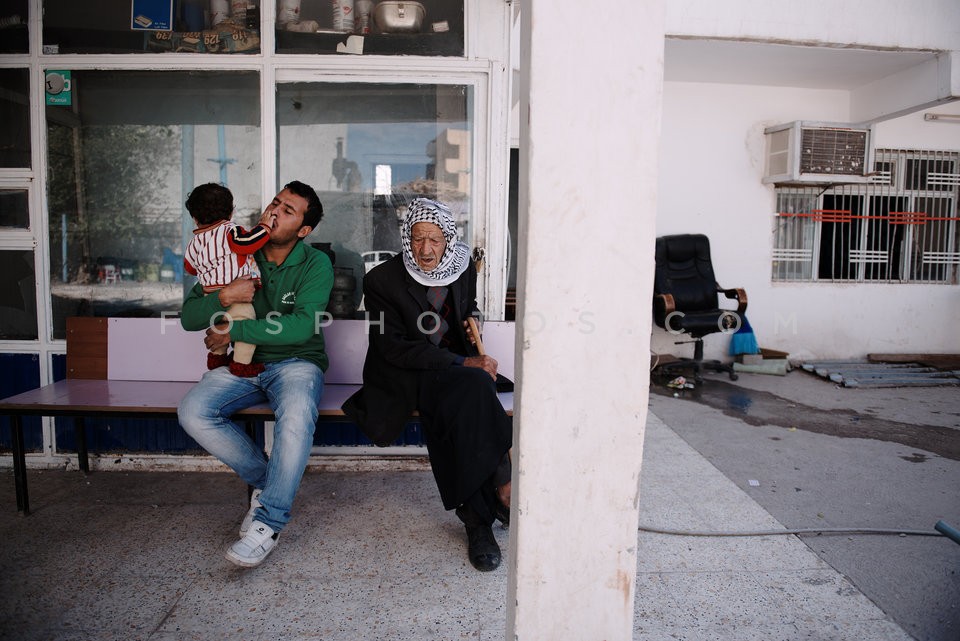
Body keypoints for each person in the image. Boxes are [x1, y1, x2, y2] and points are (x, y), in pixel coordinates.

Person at [342, 197, 513, 572]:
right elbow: (393, 347)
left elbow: (467, 308)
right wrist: (464, 361)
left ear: (448, 239)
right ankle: (500, 489)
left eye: (435, 239)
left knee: (470, 395)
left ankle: (479, 520)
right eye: (418, 238)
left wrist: (474, 323)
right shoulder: (382, 280)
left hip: (458, 373)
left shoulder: (462, 264)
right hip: (406, 374)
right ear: (407, 237)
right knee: (470, 392)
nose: (425, 249)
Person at [178, 181, 332, 568]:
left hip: (297, 362)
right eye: (275, 202)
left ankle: (268, 522)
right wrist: (224, 297)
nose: (275, 211)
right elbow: (188, 318)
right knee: (193, 411)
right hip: (244, 366)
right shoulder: (234, 247)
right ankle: (270, 483)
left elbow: (301, 326)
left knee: (296, 415)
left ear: (303, 230)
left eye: (289, 210)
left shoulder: (316, 264)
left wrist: (235, 331)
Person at [183, 182, 275, 377]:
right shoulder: (229, 230)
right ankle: (241, 365)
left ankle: (217, 358)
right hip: (237, 298)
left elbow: (189, 267)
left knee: (219, 325)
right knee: (245, 325)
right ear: (231, 212)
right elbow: (247, 244)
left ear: (194, 217)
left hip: (211, 296)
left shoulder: (194, 241)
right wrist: (264, 227)